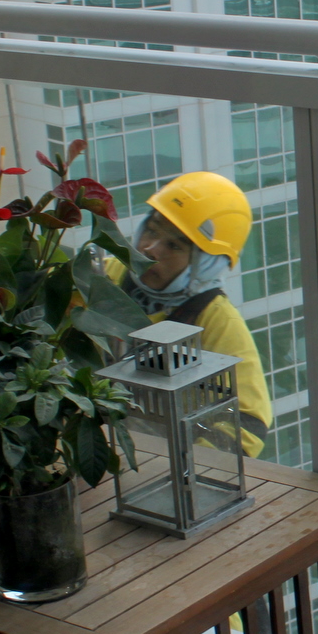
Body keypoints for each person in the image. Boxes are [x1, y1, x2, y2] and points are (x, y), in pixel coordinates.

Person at [107, 172, 272, 457]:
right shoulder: (107, 277)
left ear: (205, 264)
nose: (150, 249)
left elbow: (249, 422)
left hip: (162, 465)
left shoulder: (214, 319)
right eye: (152, 230)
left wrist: (186, 465)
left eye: (174, 246)